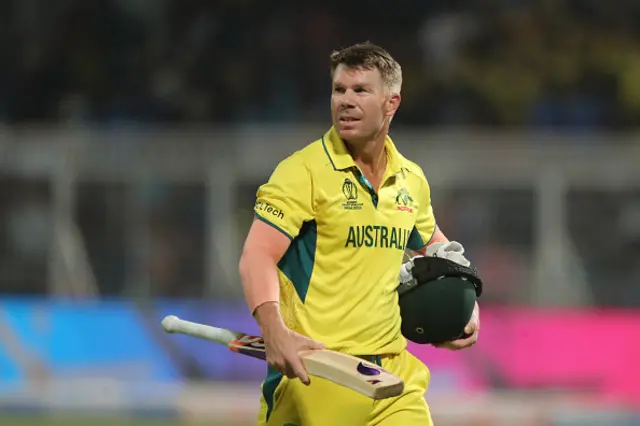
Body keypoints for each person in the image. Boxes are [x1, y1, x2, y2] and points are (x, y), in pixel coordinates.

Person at [238, 41, 480, 426]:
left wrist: (463, 308)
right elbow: (257, 255)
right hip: (317, 370)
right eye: (339, 90)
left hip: (391, 377)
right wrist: (274, 331)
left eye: (360, 90)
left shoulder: (410, 180)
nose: (345, 101)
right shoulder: (303, 171)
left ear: (391, 103)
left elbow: (437, 249)